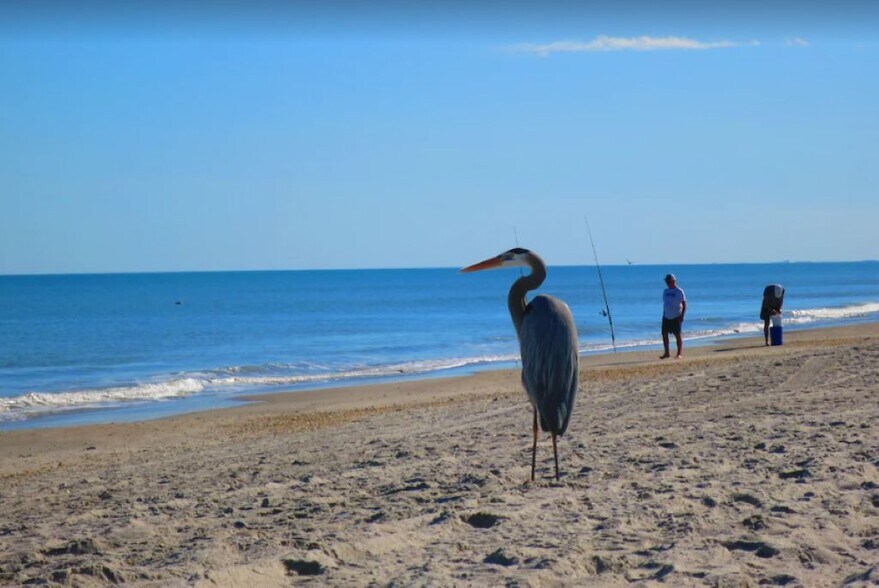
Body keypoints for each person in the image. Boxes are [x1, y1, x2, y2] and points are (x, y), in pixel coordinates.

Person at [660, 273, 687, 359]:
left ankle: (679, 353)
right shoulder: (665, 291)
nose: (667, 283)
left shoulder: (679, 291)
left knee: (677, 335)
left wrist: (682, 315)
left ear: (673, 281)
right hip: (666, 316)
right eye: (666, 281)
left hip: (676, 315)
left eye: (669, 281)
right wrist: (663, 314)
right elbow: (665, 304)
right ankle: (666, 352)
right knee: (664, 334)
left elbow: (684, 303)